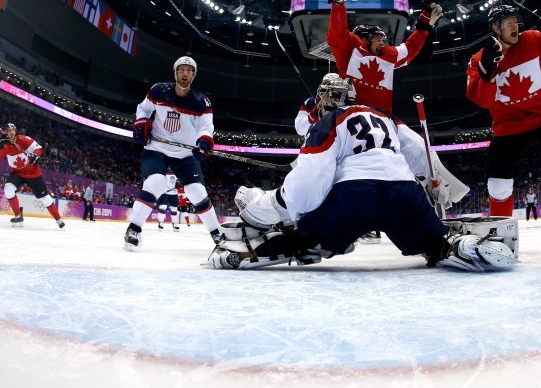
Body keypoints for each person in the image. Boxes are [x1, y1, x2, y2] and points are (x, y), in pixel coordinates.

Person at [208, 86, 519, 272]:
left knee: (307, 238)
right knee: (434, 242)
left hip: (354, 198)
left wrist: (276, 210)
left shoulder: (329, 120)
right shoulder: (384, 115)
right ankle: (459, 246)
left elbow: (308, 183)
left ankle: (265, 248)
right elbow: (421, 154)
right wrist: (437, 191)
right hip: (403, 193)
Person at [325, 0, 468, 209]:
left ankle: (439, 197)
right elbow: (337, 33)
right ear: (365, 37)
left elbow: (409, 50)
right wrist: (338, 1)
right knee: (364, 169)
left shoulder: (388, 56)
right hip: (357, 121)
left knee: (422, 152)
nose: (384, 42)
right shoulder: (350, 48)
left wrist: (424, 24)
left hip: (386, 120)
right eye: (379, 38)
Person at [465, 5, 541, 249]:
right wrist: (488, 74)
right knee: (497, 186)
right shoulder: (478, 59)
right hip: (508, 127)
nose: (515, 26)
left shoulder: (534, 39)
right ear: (494, 27)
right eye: (507, 22)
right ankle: (500, 236)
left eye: (515, 20)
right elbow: (482, 101)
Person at [125, 55, 221, 250]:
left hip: (184, 153)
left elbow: (205, 127)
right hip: (156, 148)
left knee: (197, 191)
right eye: (181, 69)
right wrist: (141, 122)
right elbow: (143, 109)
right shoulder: (158, 91)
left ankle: (217, 235)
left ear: (194, 76)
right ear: (175, 72)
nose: (185, 73)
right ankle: (133, 229)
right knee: (155, 182)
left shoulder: (202, 102)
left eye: (189, 71)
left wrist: (204, 139)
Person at [0, 123, 65, 229]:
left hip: (33, 173)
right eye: (8, 130)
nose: (11, 132)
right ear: (6, 132)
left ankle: (58, 219)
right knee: (8, 189)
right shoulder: (4, 144)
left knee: (45, 198)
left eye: (12, 130)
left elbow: (38, 148)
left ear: (15, 131)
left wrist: (36, 155)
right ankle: (18, 215)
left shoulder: (23, 139)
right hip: (17, 173)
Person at [294, 73, 355, 138]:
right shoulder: (311, 103)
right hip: (315, 145)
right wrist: (318, 108)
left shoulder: (349, 106)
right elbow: (300, 129)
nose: (330, 93)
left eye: (335, 89)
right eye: (327, 88)